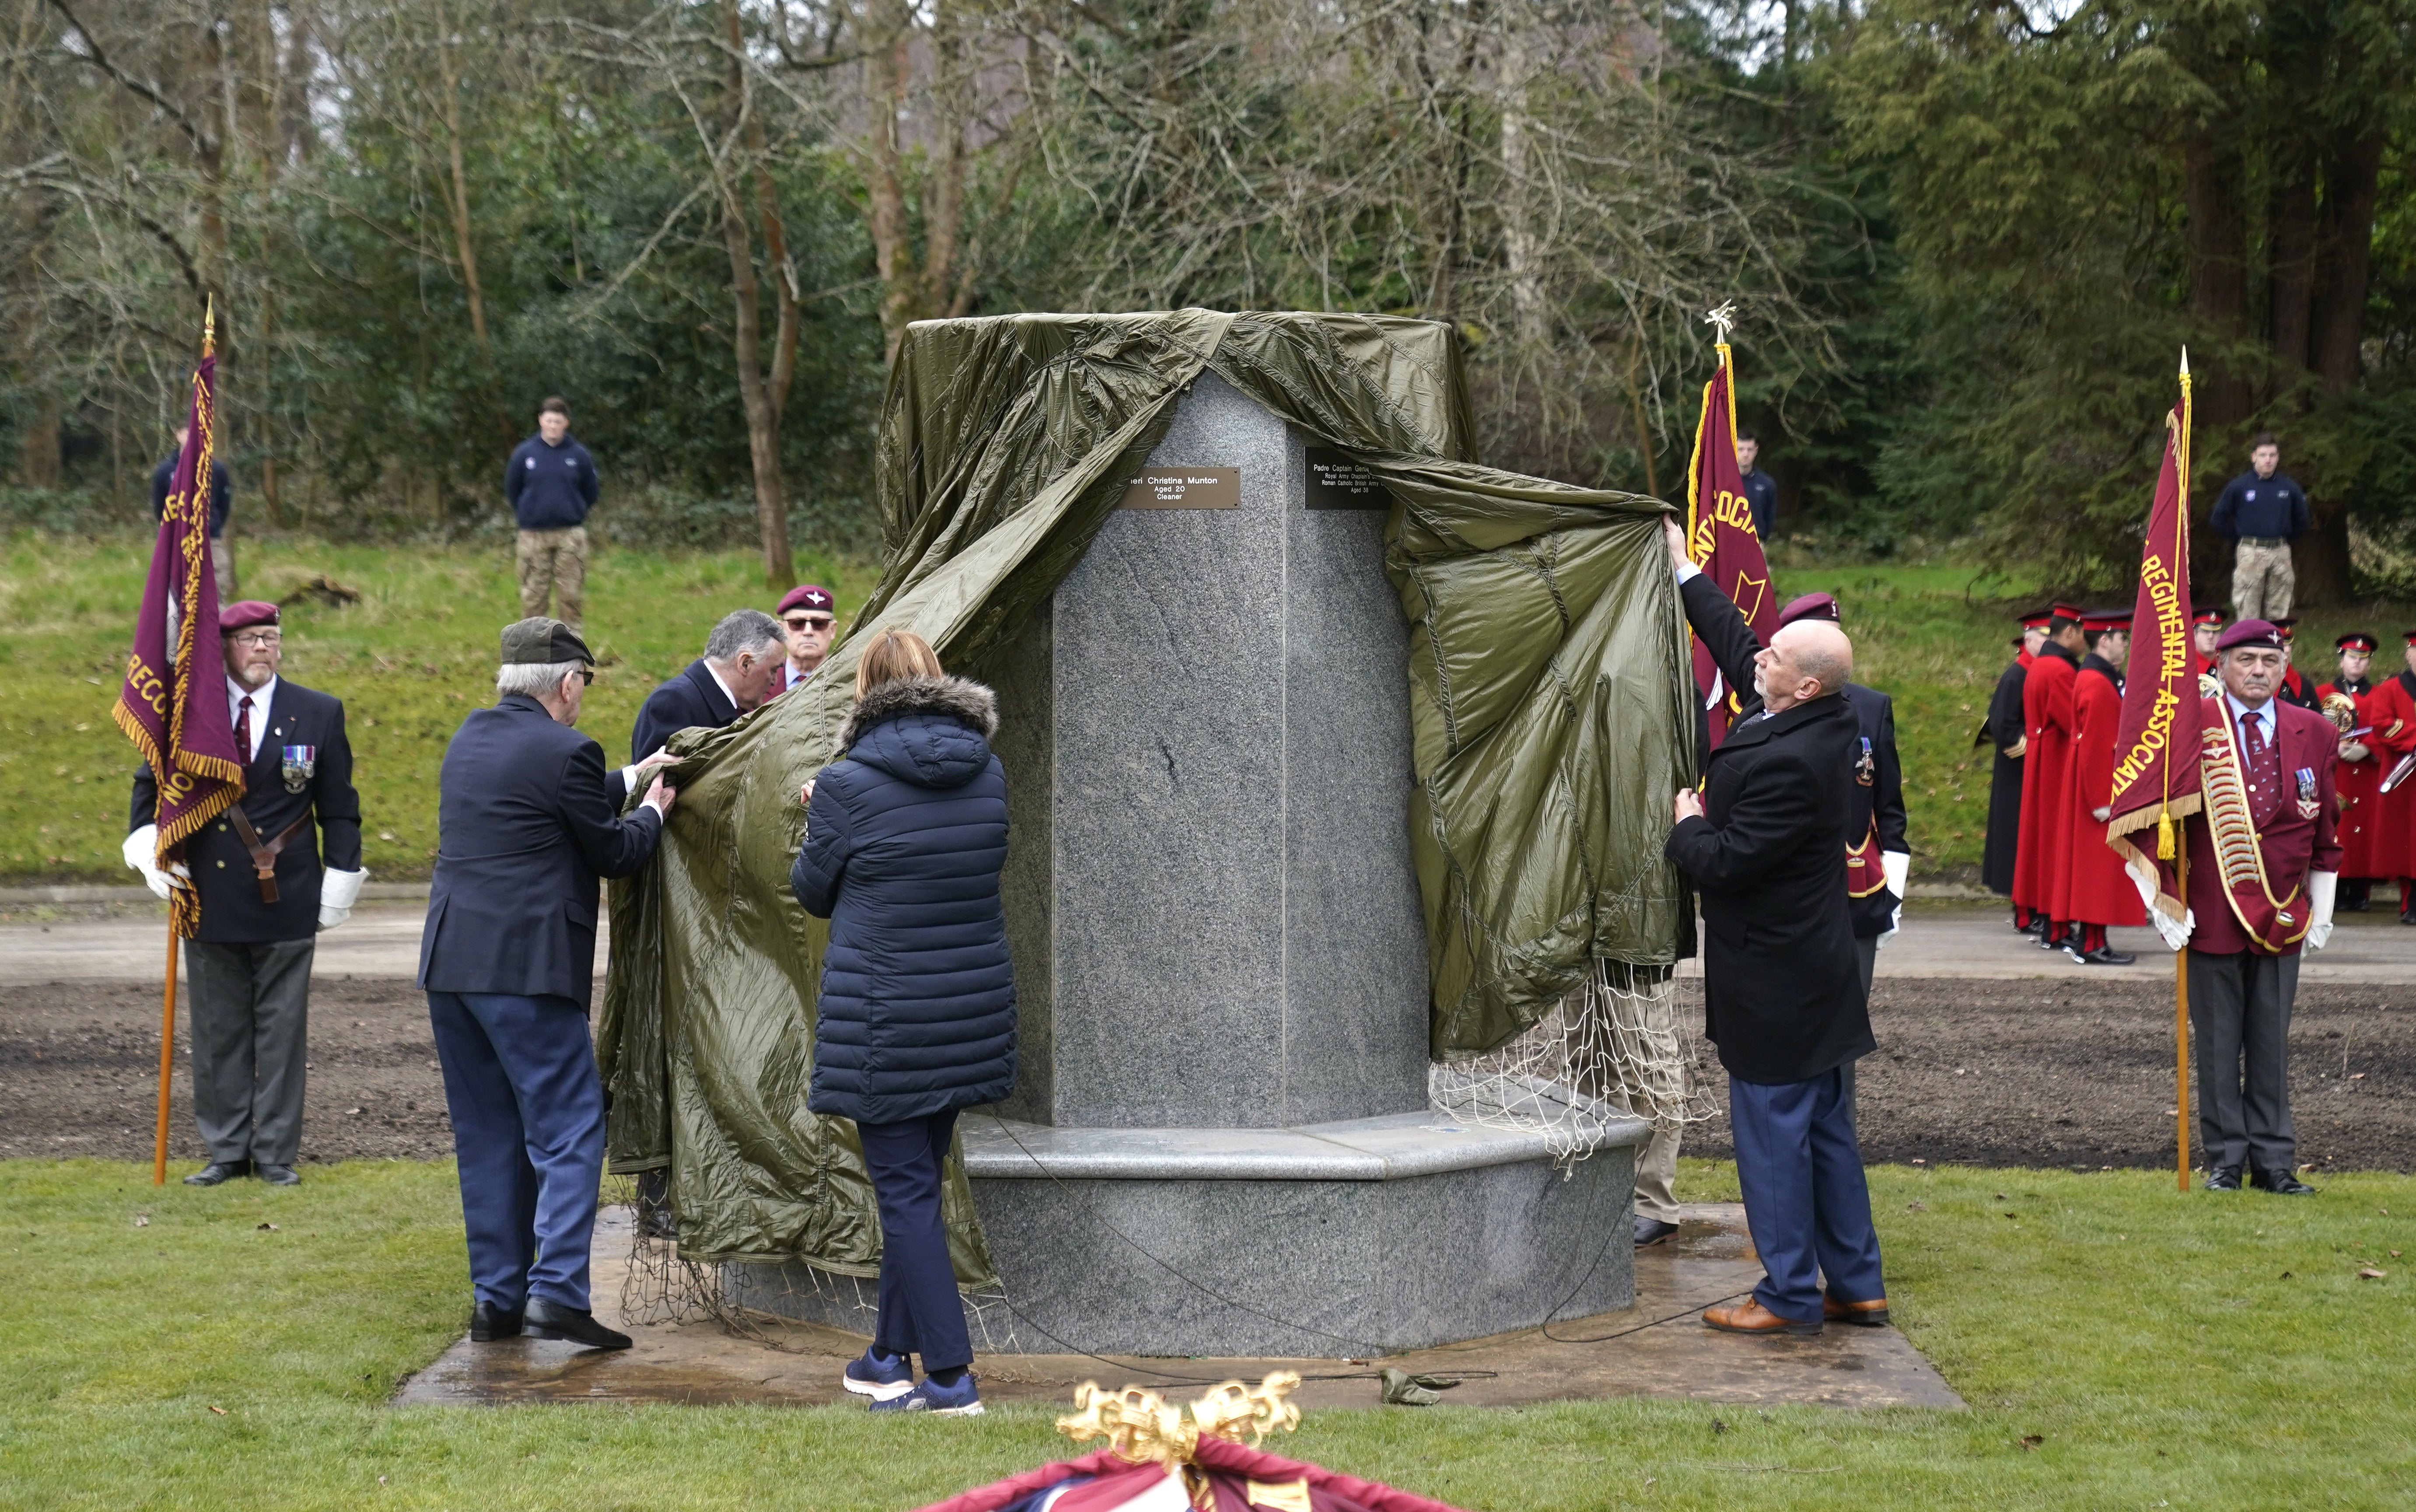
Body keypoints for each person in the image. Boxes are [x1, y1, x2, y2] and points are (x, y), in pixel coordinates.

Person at [419, 618, 677, 1349]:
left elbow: (544, 792)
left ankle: (496, 1302)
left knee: (488, 1134)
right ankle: (559, 1293)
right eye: (584, 685)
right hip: (525, 970)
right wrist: (653, 810)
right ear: (568, 684)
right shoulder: (567, 750)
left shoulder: (471, 736)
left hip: (452, 967)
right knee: (569, 1128)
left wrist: (631, 776)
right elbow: (613, 850)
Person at [1657, 518, 1886, 1337]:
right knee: (1825, 1133)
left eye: (1776, 660)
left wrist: (1685, 821)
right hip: (1813, 973)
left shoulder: (1794, 762)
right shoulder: (1810, 710)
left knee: (1773, 1142)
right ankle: (1856, 1285)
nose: (1759, 657)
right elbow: (1738, 641)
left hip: (1778, 981)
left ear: (1805, 688)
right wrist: (1685, 569)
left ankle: (1788, 1294)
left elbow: (1723, 862)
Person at [791, 628, 1014, 1412]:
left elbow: (812, 891)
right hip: (969, 1013)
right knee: (913, 1187)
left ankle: (950, 1376)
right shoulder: (986, 772)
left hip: (886, 1022)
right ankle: (889, 1354)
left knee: (908, 1195)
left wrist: (818, 816)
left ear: (865, 693)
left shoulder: (846, 784)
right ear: (939, 681)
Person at [123, 600, 364, 1186]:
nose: (263, 648)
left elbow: (340, 808)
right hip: (209, 891)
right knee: (218, 1030)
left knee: (281, 1031)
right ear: (223, 648)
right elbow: (148, 786)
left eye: (272, 637)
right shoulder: (192, 714)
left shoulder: (317, 711)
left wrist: (342, 878)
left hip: (286, 890)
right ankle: (227, 1150)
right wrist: (145, 847)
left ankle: (276, 1152)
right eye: (251, 638)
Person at [2145, 618, 2338, 1195]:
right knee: (2217, 1041)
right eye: (2245, 659)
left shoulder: (2313, 731)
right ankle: (2225, 1160)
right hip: (2211, 908)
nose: (2257, 670)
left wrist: (2321, 908)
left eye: (2268, 660)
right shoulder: (2189, 728)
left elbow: (2324, 825)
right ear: (2219, 666)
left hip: (2281, 912)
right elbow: (2159, 820)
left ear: (2283, 668)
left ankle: (2274, 1164)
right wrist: (2163, 899)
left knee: (2269, 1042)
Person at [1775, 592, 1908, 991]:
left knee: (1846, 1020)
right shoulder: (1766, 705)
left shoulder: (1871, 706)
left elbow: (1888, 807)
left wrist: (1894, 894)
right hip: (1785, 893)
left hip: (1855, 888)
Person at [2052, 611, 2142, 965]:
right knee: (2096, 869)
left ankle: (2093, 940)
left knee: (2096, 867)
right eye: (2122, 639)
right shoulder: (2097, 681)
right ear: (2103, 639)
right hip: (2098, 788)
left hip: (2093, 783)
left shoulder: (2095, 676)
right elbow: (2096, 743)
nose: (2126, 645)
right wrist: (2102, 799)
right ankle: (2090, 943)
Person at [2014, 603, 2087, 952]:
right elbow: (2075, 720)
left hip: (2042, 759)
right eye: (2083, 632)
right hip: (2056, 762)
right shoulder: (2060, 670)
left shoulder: (2043, 664)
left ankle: (2042, 916)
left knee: (2041, 844)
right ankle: (2055, 924)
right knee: (2056, 845)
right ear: (2069, 632)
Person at [630, 609, 787, 760]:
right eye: (773, 670)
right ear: (745, 664)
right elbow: (654, 782)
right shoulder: (673, 703)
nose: (775, 680)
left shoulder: (732, 707)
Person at [505, 398, 601, 631]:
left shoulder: (579, 455)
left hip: (570, 536)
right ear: (541, 421)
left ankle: (571, 654)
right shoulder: (524, 454)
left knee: (570, 596)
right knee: (534, 597)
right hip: (533, 536)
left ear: (566, 423)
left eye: (558, 421)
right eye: (549, 421)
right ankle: (533, 655)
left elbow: (591, 491)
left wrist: (573, 510)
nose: (553, 426)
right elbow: (512, 489)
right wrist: (531, 513)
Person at [1979, 609, 2049, 926]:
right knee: (2018, 841)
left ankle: (2036, 908)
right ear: (2028, 638)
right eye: (2043, 636)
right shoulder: (2017, 674)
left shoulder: (2040, 671)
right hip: (2018, 773)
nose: (2048, 642)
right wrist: (2035, 750)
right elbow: (2002, 726)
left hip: (2035, 773)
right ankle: (2024, 913)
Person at [2211, 435, 2310, 623]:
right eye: (2263, 455)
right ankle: (2248, 650)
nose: (2268, 460)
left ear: (2278, 457)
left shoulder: (2289, 487)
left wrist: (2283, 539)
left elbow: (2303, 521)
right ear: (2253, 457)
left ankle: (2276, 650)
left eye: (2272, 455)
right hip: (2250, 552)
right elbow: (2219, 519)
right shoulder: (2239, 487)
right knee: (2248, 610)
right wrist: (2240, 539)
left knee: (2280, 609)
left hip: (2280, 552)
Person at [2317, 633, 2380, 912]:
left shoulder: (2379, 694)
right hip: (2335, 770)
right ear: (2341, 659)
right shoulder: (2321, 693)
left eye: (2362, 660)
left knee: (2364, 829)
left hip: (2366, 773)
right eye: (2352, 658)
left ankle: (2361, 889)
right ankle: (2335, 888)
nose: (2357, 664)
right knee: (2335, 827)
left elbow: (2384, 727)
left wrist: (2368, 748)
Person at [2360, 632, 2416, 924]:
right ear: (2408, 655)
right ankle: (2409, 903)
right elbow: (2381, 725)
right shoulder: (2390, 689)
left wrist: (2406, 727)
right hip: (2403, 777)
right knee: (2405, 842)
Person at [151, 420, 237, 604]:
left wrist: (212, 526)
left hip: (210, 541)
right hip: (177, 542)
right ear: (178, 435)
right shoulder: (165, 472)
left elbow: (224, 504)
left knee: (216, 590)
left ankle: (217, 629)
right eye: (188, 433)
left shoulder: (217, 469)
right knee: (179, 594)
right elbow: (160, 507)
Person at [771, 584, 839, 698]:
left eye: (819, 624)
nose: (808, 631)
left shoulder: (850, 681)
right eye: (797, 624)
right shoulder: (758, 682)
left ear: (833, 630)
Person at [2269, 618, 2321, 712]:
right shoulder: (2260, 681)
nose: (2288, 650)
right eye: (2283, 645)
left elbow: (2317, 721)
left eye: (2290, 645)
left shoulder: (2305, 684)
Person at [1736, 428, 1779, 542]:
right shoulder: (1723, 482)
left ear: (1756, 450)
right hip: (1728, 545)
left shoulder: (1767, 484)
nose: (1746, 454)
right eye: (1741, 449)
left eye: (1750, 450)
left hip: (1756, 543)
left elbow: (1769, 519)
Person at [2192, 606, 2227, 679]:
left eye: (2215, 632)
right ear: (2194, 633)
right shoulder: (2185, 666)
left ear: (2221, 634)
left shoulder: (2227, 662)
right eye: (2205, 631)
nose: (2211, 636)